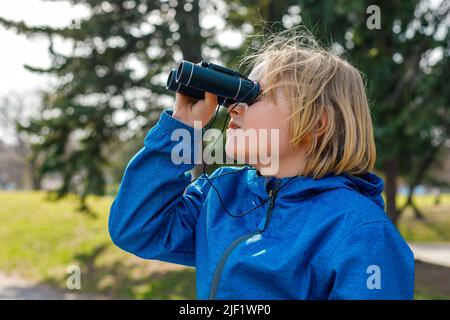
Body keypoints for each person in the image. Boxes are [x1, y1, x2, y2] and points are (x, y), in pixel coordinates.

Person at [108, 29, 414, 300]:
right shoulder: (220, 195)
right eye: (238, 92)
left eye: (255, 95)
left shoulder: (360, 232)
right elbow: (137, 228)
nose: (234, 107)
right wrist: (182, 127)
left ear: (317, 124)